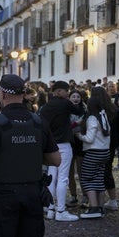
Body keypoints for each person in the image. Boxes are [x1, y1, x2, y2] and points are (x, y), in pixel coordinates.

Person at [0, 74, 60, 237]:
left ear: (3, 95)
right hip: (33, 193)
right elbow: (56, 160)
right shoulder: (38, 121)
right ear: (23, 94)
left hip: (4, 196)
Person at [40, 80, 82, 222]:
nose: (68, 93)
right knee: (63, 178)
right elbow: (79, 110)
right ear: (59, 91)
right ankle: (61, 210)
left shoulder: (45, 107)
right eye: (66, 90)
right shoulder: (65, 103)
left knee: (52, 177)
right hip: (63, 144)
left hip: (50, 146)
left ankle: (51, 209)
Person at [76, 96, 112, 218]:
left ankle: (94, 208)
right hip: (105, 152)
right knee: (99, 179)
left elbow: (90, 139)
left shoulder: (92, 118)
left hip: (93, 153)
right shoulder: (103, 116)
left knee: (86, 179)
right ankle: (100, 208)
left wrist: (79, 135)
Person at [67, 89, 88, 207]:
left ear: (81, 98)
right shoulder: (66, 110)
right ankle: (73, 196)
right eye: (73, 96)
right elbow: (64, 127)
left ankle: (85, 196)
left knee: (81, 171)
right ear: (69, 98)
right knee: (69, 172)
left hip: (81, 142)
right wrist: (76, 124)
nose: (75, 98)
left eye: (78, 97)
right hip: (69, 142)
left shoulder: (85, 110)